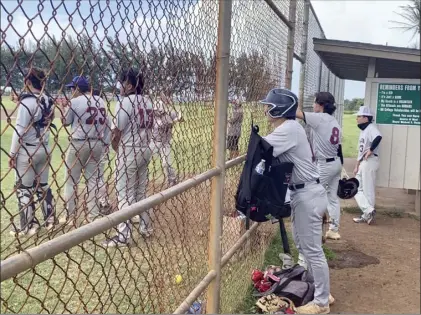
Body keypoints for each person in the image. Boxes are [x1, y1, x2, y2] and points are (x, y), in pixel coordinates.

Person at [259, 88, 333, 314]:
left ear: (280, 108)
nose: (265, 109)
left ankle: (321, 302)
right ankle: (320, 291)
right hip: (305, 193)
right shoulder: (291, 127)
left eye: (269, 105)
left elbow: (259, 148)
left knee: (312, 251)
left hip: (307, 194)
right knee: (304, 247)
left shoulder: (289, 128)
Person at [103, 67, 154, 247]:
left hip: (129, 150)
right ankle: (146, 227)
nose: (120, 87)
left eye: (122, 83)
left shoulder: (125, 102)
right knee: (140, 192)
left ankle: (123, 236)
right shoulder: (148, 101)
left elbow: (116, 131)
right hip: (145, 148)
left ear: (130, 85)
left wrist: (117, 149)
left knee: (123, 193)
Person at [9, 67, 56, 236]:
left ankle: (28, 226)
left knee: (24, 188)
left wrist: (12, 154)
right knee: (42, 186)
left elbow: (19, 130)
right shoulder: (48, 99)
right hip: (44, 148)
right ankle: (50, 219)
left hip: (27, 151)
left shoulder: (26, 102)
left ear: (28, 82)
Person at [296, 92, 343, 240]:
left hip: (324, 165)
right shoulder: (334, 121)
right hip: (336, 162)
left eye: (316, 102)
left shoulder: (319, 118)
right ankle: (333, 229)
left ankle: (314, 232)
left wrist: (293, 99)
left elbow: (297, 113)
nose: (314, 105)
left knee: (314, 197)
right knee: (333, 198)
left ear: (321, 105)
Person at [60, 76, 107, 224]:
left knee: (71, 180)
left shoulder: (74, 102)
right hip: (97, 143)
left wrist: (63, 108)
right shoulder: (101, 101)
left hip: (79, 143)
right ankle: (93, 216)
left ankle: (70, 216)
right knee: (92, 180)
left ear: (78, 89)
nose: (71, 92)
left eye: (72, 89)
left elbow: (65, 122)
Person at [352, 105, 382, 225]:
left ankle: (367, 214)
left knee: (367, 190)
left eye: (359, 116)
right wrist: (357, 164)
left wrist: (371, 149)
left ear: (366, 118)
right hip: (364, 162)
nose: (357, 118)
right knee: (356, 188)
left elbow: (378, 137)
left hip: (370, 161)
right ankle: (368, 211)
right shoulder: (364, 130)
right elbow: (361, 150)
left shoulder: (370, 128)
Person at [150, 91, 183, 187]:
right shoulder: (151, 116)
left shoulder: (170, 114)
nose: (155, 112)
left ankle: (172, 179)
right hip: (154, 141)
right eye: (154, 110)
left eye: (157, 111)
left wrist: (177, 119)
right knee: (144, 158)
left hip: (165, 143)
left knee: (166, 163)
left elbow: (181, 117)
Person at [92, 88, 111, 213]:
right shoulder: (106, 114)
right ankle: (102, 201)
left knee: (95, 177)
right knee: (98, 176)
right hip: (103, 146)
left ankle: (102, 202)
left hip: (89, 145)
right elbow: (110, 132)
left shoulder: (85, 112)